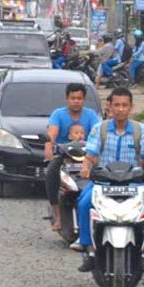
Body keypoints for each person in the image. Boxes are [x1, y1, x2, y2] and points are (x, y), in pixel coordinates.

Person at [76, 87, 144, 272]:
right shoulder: (98, 129)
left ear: (131, 107)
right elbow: (91, 153)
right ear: (110, 106)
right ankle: (88, 248)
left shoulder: (141, 130)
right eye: (117, 104)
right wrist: (85, 167)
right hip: (103, 181)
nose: (121, 109)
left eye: (125, 105)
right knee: (84, 202)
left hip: (134, 182)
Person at [44, 83, 101, 233]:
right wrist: (49, 147)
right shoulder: (58, 114)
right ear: (67, 99)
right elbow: (52, 133)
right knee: (51, 173)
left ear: (84, 99)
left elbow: (98, 133)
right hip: (64, 157)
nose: (76, 101)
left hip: (87, 156)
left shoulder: (91, 115)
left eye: (79, 98)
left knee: (102, 175)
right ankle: (58, 216)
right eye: (73, 98)